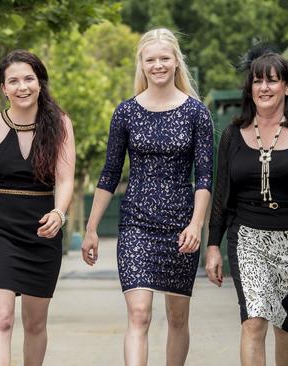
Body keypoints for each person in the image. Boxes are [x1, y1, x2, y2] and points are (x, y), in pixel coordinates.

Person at [81, 28, 213, 366]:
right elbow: (109, 174)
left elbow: (205, 177)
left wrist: (196, 225)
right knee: (139, 314)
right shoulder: (125, 113)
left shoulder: (197, 113)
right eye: (150, 59)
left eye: (164, 58)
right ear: (141, 64)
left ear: (176, 62)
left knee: (177, 317)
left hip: (181, 226)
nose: (158, 65)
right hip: (136, 224)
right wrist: (92, 227)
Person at [205, 48, 288, 366]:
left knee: (287, 326)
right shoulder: (233, 134)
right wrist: (213, 246)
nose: (263, 87)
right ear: (249, 88)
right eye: (257, 81)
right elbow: (221, 196)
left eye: (272, 80)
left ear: (287, 86)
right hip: (247, 238)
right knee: (254, 320)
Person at [0, 50, 75, 365]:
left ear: (40, 82)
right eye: (14, 81)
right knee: (2, 319)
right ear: (3, 88)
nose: (23, 87)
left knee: (34, 323)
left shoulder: (60, 124)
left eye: (29, 79)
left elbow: (65, 179)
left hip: (43, 234)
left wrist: (59, 213)